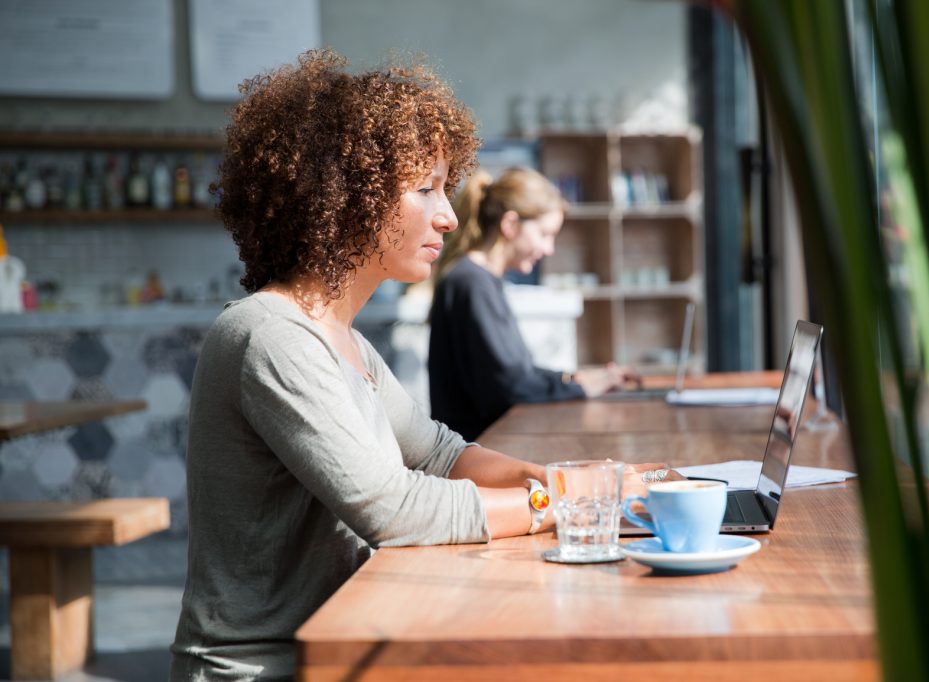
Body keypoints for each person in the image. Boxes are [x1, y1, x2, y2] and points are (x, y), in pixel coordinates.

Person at [170, 50, 659, 680]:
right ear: (346, 193)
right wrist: (569, 504)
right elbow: (393, 509)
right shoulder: (270, 335)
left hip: (337, 640)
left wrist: (579, 480)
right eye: (425, 188)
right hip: (266, 668)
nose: (449, 215)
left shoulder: (339, 337)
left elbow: (439, 454)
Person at [428, 168, 638, 440]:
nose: (549, 249)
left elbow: (516, 373)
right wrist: (580, 388)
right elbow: (511, 388)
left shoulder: (479, 280)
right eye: (544, 234)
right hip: (479, 452)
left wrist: (575, 379)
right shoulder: (471, 283)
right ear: (510, 225)